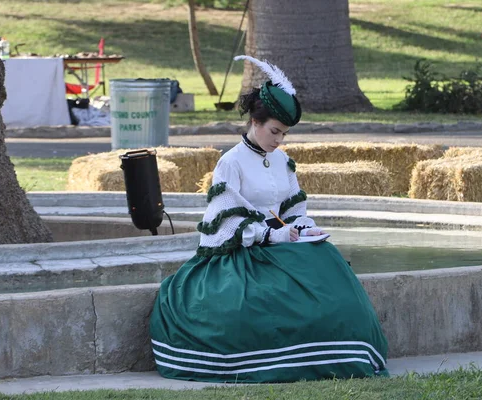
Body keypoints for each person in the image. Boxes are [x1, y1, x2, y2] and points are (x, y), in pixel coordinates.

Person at [149, 55, 389, 383]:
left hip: (284, 243)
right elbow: (226, 218)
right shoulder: (230, 163)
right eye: (275, 131)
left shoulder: (283, 160)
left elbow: (293, 209)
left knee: (331, 274)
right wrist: (270, 235)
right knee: (262, 306)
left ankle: (346, 353)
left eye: (284, 134)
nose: (278, 140)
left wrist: (304, 228)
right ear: (255, 122)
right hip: (242, 252)